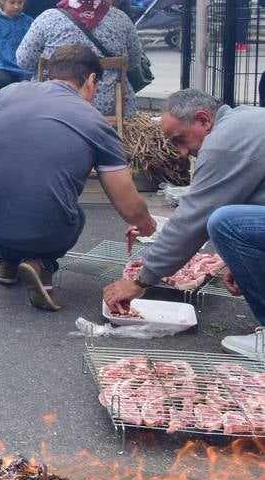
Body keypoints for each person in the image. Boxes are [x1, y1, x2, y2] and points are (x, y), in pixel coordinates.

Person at [0, 45, 156, 310]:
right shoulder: (96, 123)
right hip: (49, 231)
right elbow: (128, 206)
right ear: (91, 79)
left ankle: (8, 261)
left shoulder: (9, 92)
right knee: (75, 213)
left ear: (50, 74)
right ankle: (42, 264)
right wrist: (147, 225)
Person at [103, 89, 265, 358]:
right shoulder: (246, 121)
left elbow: (194, 219)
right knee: (231, 221)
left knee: (224, 223)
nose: (182, 152)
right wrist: (240, 263)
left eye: (181, 140)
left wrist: (142, 281)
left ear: (203, 120)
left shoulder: (223, 142)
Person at [16, 0, 143, 117]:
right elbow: (134, 60)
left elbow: (24, 61)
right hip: (108, 106)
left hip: (52, 104)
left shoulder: (47, 19)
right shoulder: (120, 19)